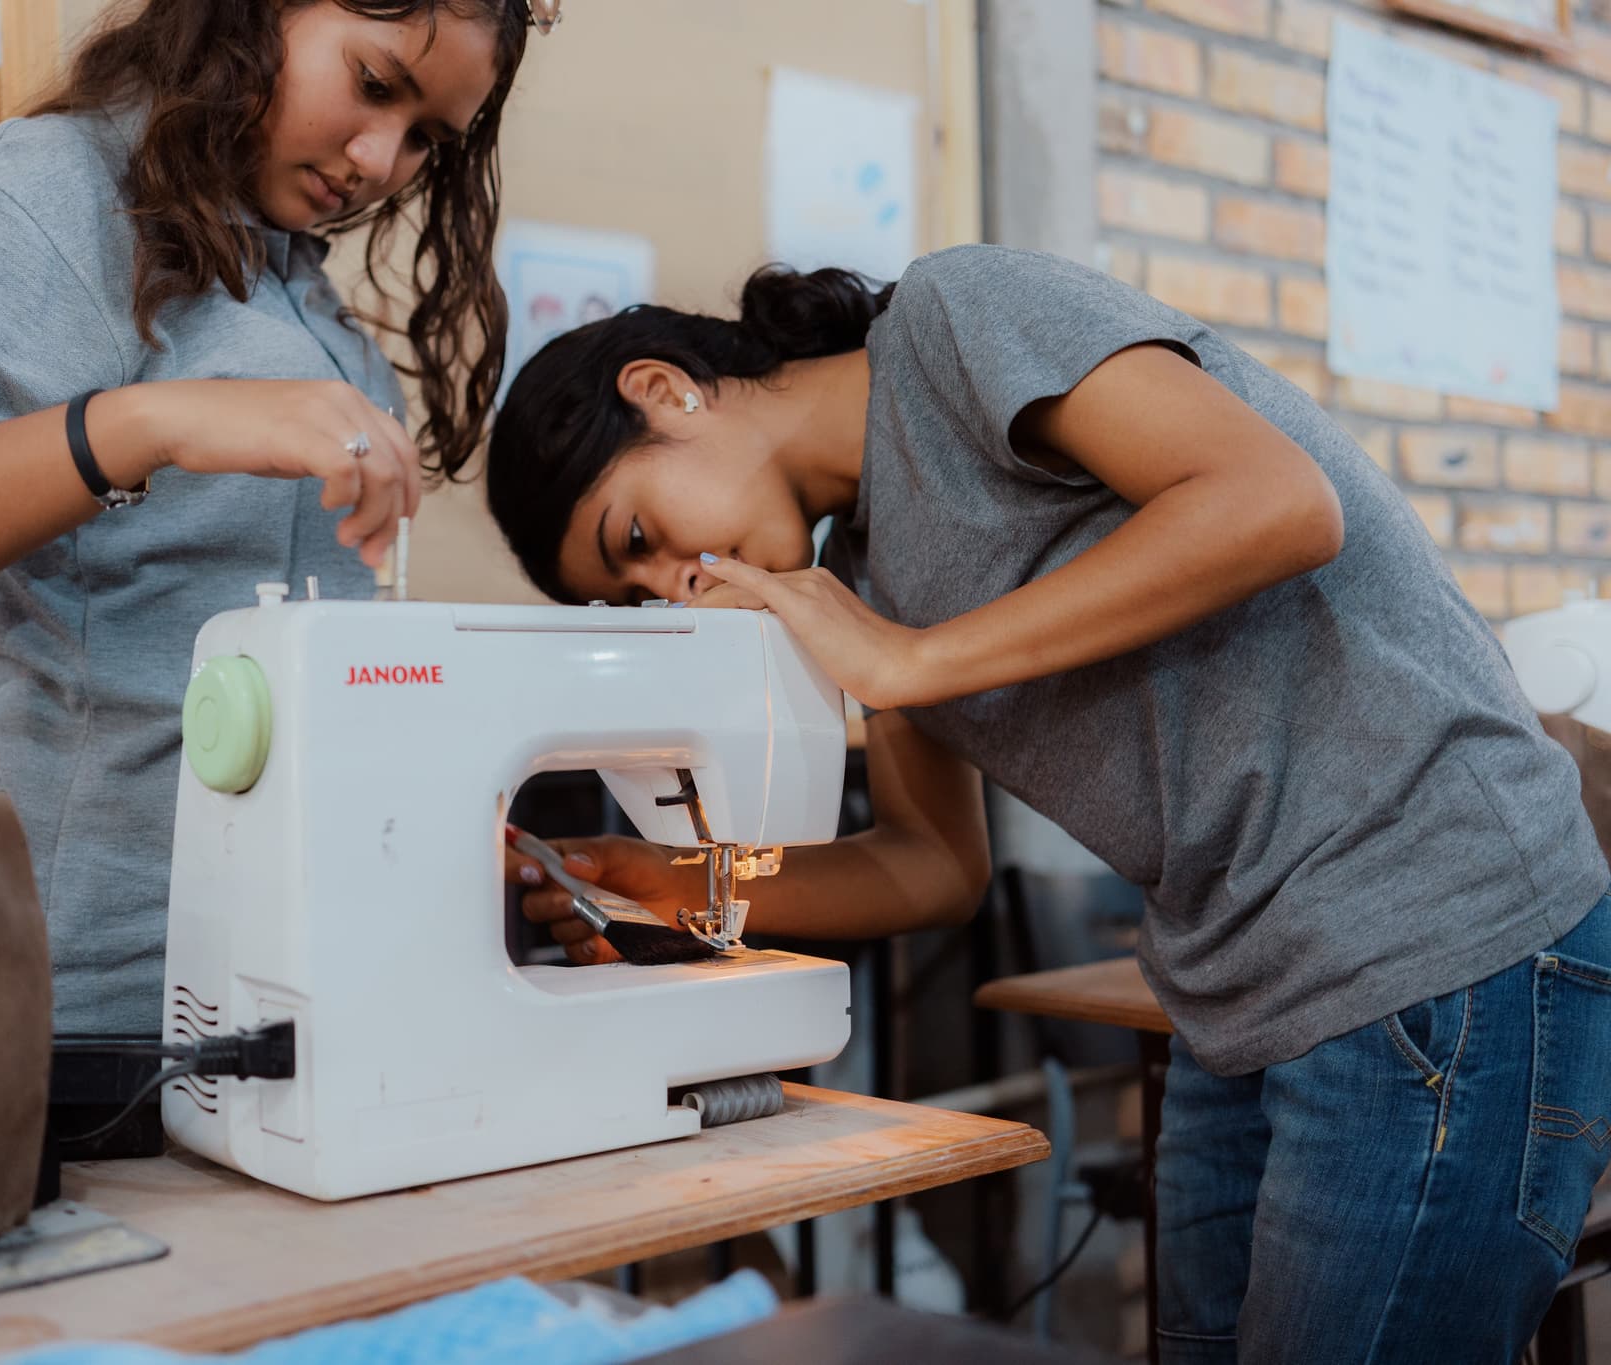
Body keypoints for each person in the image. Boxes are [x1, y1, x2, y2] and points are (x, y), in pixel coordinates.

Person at [486, 245, 1611, 1363]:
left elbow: (1274, 502)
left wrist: (910, 663)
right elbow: (931, 867)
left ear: (660, 387)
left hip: (1438, 937)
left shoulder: (953, 318)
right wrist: (676, 883)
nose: (671, 581)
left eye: (634, 537)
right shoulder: (861, 577)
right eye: (633, 593)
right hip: (1241, 998)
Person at [0, 0, 537, 1037]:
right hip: (100, 1014)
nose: (378, 158)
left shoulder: (295, 283)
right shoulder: (52, 192)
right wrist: (146, 423)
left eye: (423, 139)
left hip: (299, 994)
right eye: (372, 83)